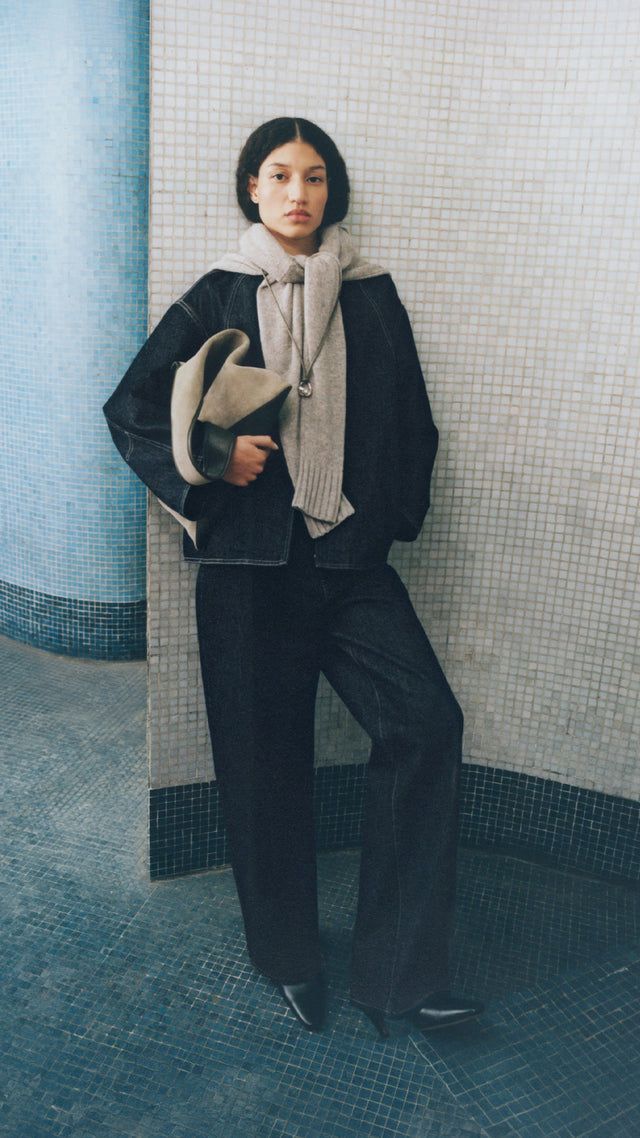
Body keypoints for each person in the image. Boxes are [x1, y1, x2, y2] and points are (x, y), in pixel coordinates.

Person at [104, 117, 483, 1037]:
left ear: (330, 191)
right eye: (278, 175)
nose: (297, 193)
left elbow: (413, 419)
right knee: (263, 765)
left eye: (313, 177)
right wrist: (211, 464)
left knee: (426, 724)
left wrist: (387, 517)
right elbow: (131, 409)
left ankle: (400, 977)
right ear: (252, 188)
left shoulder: (372, 292)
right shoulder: (218, 292)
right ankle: (289, 958)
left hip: (350, 559)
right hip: (246, 568)